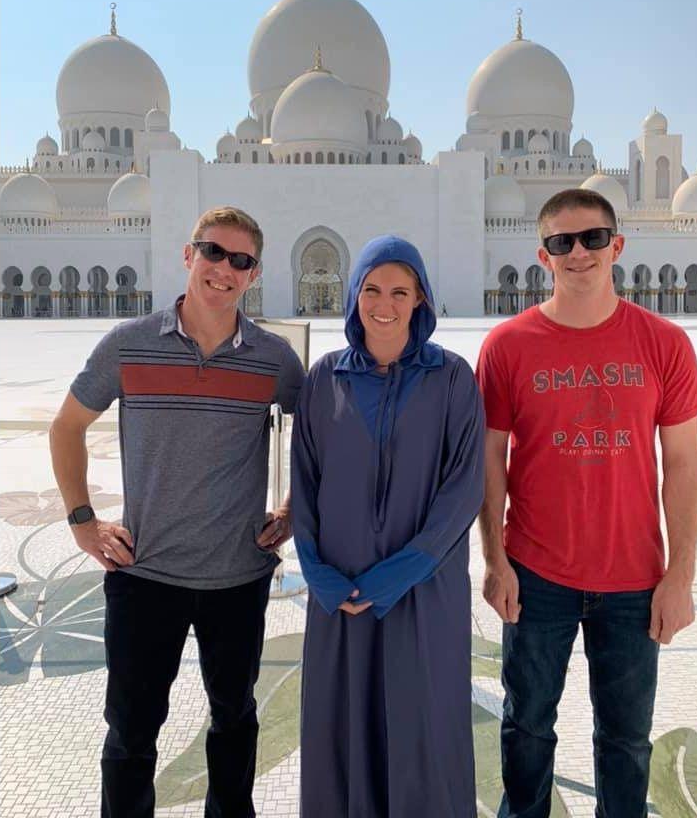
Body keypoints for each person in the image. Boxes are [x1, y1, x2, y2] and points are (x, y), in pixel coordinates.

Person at [49, 206, 305, 818]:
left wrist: (297, 508)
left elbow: (325, 433)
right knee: (132, 733)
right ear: (189, 256)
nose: (224, 269)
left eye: (240, 261)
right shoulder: (129, 343)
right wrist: (82, 520)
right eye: (213, 253)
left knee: (235, 719)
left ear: (255, 275)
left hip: (238, 577)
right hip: (145, 576)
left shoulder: (273, 359)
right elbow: (67, 426)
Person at [475, 189, 697, 818]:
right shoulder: (507, 346)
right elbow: (489, 460)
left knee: (626, 742)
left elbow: (685, 463)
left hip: (634, 580)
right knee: (526, 730)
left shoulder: (663, 342)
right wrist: (496, 561)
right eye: (562, 242)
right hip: (536, 575)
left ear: (618, 246)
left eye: (593, 239)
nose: (579, 253)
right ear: (543, 256)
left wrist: (680, 575)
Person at [291, 235, 485, 818]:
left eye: (400, 291)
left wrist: (394, 577)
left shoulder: (451, 378)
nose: (385, 303)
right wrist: (320, 577)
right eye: (372, 289)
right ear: (352, 296)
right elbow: (304, 484)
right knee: (343, 720)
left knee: (422, 720)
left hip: (423, 590)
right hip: (340, 593)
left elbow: (463, 489)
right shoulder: (326, 378)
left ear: (420, 298)